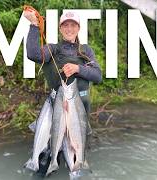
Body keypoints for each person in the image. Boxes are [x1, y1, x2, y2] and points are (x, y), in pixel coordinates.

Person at [24, 10, 102, 176]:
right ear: (60, 28)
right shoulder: (53, 49)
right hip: (57, 106)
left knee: (76, 152)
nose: (69, 28)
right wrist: (33, 25)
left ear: (78, 28)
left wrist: (78, 68)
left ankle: (75, 170)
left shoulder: (86, 51)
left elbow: (97, 76)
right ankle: (45, 168)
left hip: (80, 108)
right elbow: (32, 54)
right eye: (65, 25)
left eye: (73, 25)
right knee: (49, 151)